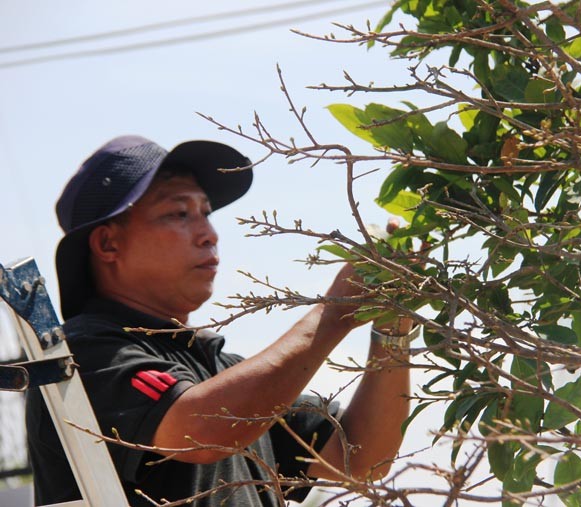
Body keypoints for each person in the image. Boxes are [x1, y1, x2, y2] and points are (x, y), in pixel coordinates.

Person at [26, 135, 418, 506]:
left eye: (206, 213)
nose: (208, 234)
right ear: (108, 243)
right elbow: (205, 431)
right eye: (179, 213)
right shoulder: (81, 355)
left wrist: (392, 326)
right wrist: (333, 314)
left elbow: (361, 457)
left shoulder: (220, 371)